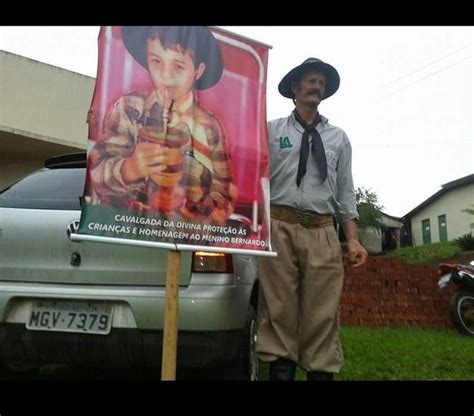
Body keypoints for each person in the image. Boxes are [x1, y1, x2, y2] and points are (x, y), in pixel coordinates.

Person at [256, 57, 368, 381]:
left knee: (322, 311)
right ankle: (280, 371)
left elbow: (346, 192)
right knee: (278, 309)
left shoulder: (338, 138)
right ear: (295, 88)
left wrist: (353, 238)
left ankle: (320, 372)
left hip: (322, 230)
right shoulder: (272, 130)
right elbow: (255, 176)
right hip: (278, 225)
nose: (316, 86)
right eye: (310, 80)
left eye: (321, 82)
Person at [88, 26, 237, 225]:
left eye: (178, 66)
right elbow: (96, 173)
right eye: (156, 61)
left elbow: (224, 196)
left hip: (183, 242)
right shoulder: (128, 109)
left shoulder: (211, 128)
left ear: (198, 71)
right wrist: (128, 168)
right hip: (126, 233)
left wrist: (195, 212)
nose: (165, 76)